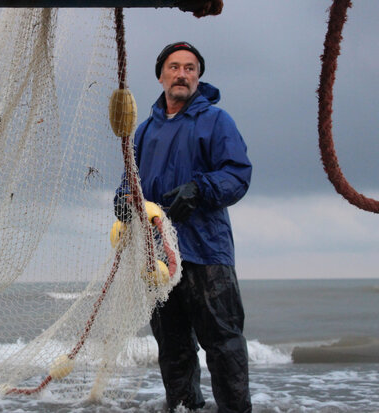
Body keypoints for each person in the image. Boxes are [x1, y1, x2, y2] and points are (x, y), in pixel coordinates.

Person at [114, 42, 252, 412]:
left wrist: (201, 188)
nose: (182, 74)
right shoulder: (142, 131)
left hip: (207, 251)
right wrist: (123, 199)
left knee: (224, 344)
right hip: (158, 258)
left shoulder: (217, 121)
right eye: (174, 67)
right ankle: (184, 408)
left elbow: (238, 175)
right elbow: (131, 181)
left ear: (198, 76)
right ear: (161, 76)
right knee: (173, 348)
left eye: (190, 68)